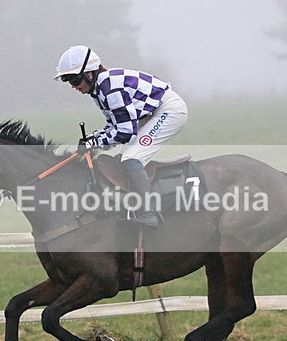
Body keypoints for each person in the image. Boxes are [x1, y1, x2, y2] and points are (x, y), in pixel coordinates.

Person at [54, 45, 188, 228]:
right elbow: (113, 126)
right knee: (123, 159)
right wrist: (92, 139)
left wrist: (94, 142)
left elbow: (125, 132)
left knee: (131, 159)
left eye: (75, 79)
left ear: (90, 73)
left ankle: (148, 213)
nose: (73, 86)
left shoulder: (110, 88)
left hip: (169, 111)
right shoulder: (99, 89)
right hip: (149, 113)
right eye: (67, 80)